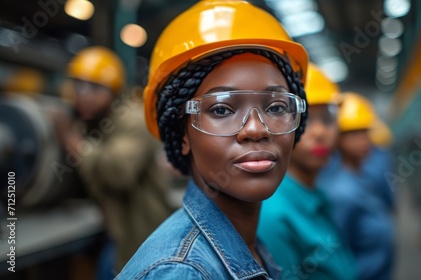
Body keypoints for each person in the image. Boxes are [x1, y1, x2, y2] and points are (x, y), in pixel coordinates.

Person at [115, 0, 309, 279]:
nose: (256, 129)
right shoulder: (181, 272)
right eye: (222, 109)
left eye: (276, 107)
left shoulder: (249, 246)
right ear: (183, 134)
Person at [58, 46, 183, 276]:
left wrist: (73, 141)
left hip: (141, 239)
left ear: (115, 91)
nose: (84, 94)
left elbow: (118, 172)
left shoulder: (132, 119)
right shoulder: (93, 122)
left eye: (95, 87)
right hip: (117, 234)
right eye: (79, 86)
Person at [258, 63, 357, 280]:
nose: (320, 132)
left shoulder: (315, 196)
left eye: (328, 119)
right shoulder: (272, 215)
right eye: (306, 119)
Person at [317, 93, 395, 280]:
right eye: (353, 134)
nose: (363, 141)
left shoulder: (365, 179)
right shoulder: (341, 192)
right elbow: (336, 252)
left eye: (365, 133)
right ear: (337, 138)